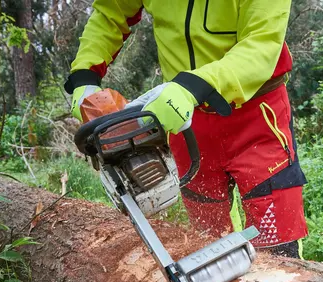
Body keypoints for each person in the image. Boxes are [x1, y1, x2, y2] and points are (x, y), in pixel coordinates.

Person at [64, 0, 307, 258]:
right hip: (184, 118)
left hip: (256, 115)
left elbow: (262, 44)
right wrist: (85, 74)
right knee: (207, 242)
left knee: (278, 249)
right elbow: (111, 13)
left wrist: (195, 85)